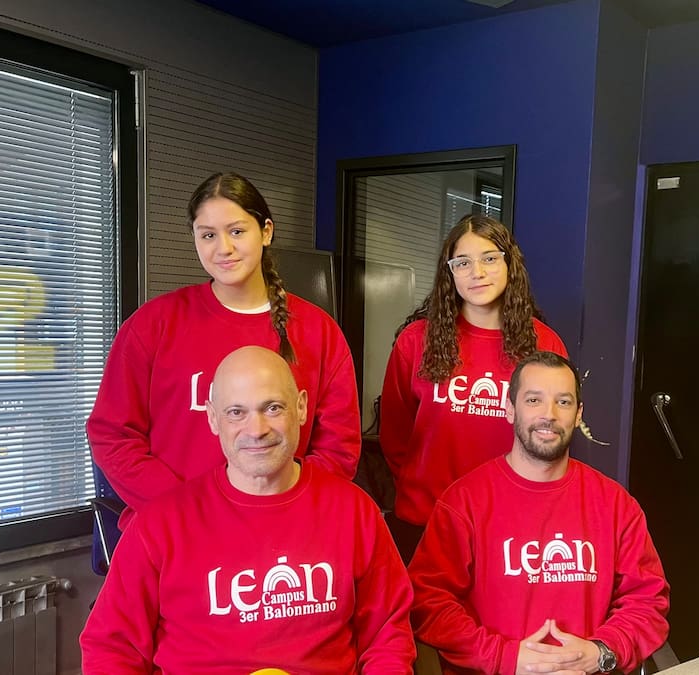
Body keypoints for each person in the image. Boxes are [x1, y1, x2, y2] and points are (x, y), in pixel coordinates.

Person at [81, 346, 415, 674]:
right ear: (213, 418)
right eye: (236, 413)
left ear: (301, 407)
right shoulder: (159, 525)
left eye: (272, 408)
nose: (256, 430)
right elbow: (111, 648)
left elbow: (388, 636)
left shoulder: (355, 513)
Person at [87, 172, 359, 529]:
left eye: (237, 231)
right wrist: (187, 509)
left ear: (266, 232)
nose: (223, 248)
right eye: (208, 235)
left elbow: (338, 448)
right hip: (175, 530)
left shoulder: (318, 331)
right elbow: (113, 435)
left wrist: (284, 505)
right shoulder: (153, 324)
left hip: (282, 531)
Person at [409, 351, 669, 675]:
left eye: (563, 402)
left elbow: (648, 602)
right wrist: (505, 657)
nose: (549, 414)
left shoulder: (616, 505)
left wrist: (601, 651)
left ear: (578, 415)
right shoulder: (463, 503)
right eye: (533, 400)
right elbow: (427, 603)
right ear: (509, 409)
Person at [379, 214, 567, 558]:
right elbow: (395, 435)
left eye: (490, 259)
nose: (476, 272)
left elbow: (553, 434)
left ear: (510, 265)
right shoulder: (416, 341)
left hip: (511, 525)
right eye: (462, 262)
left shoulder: (544, 344)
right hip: (426, 523)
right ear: (449, 273)